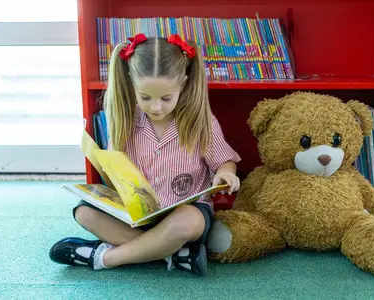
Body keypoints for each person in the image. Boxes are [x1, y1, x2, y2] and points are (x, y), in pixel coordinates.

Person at [49, 33, 241, 277]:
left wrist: (225, 173)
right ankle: (173, 255)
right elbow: (116, 175)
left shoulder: (200, 122)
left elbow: (225, 161)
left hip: (185, 213)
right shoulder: (124, 122)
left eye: (166, 98)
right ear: (132, 83)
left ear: (183, 82)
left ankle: (105, 257)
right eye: (145, 97)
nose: (156, 107)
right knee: (84, 212)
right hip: (138, 215)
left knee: (186, 221)